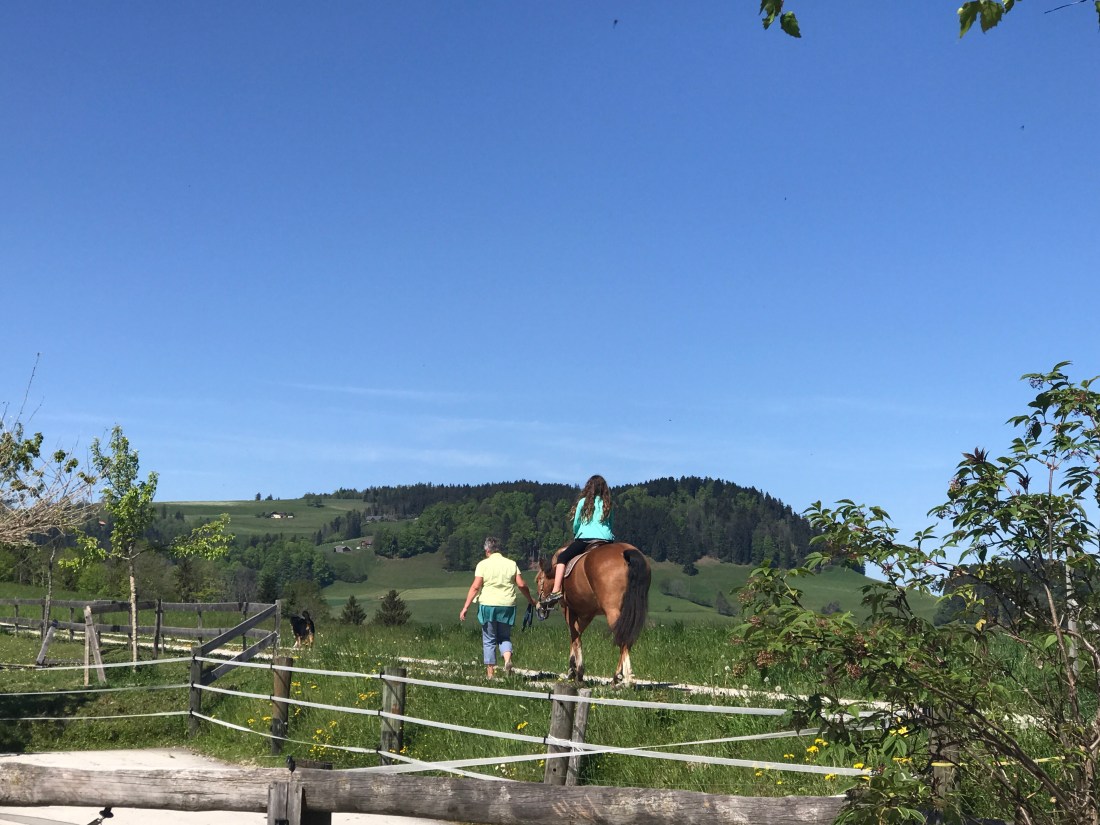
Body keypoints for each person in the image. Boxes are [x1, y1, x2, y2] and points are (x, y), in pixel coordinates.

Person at [459, 536, 536, 679]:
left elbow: (475, 587)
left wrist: (465, 607)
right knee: (504, 637)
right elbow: (521, 584)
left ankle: (490, 674)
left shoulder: (483, 564)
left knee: (489, 639)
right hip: (507, 605)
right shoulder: (511, 564)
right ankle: (507, 660)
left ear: (487, 550)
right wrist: (531, 600)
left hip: (488, 605)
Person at [542, 474, 614, 607]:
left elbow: (576, 523)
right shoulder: (608, 503)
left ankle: (556, 591)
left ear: (589, 488)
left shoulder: (583, 502)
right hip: (606, 540)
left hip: (586, 539)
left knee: (562, 558)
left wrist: (576, 533)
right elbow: (611, 523)